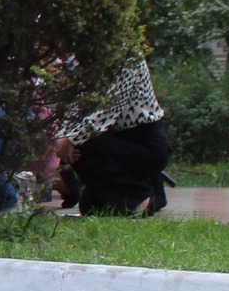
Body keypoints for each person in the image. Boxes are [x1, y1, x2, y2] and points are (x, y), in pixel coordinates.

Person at [54, 58, 171, 214]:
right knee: (91, 208)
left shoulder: (128, 57)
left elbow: (109, 107)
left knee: (83, 143)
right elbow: (80, 104)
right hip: (119, 140)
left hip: (147, 145)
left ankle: (141, 194)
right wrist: (65, 137)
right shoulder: (93, 57)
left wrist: (71, 138)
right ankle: (135, 194)